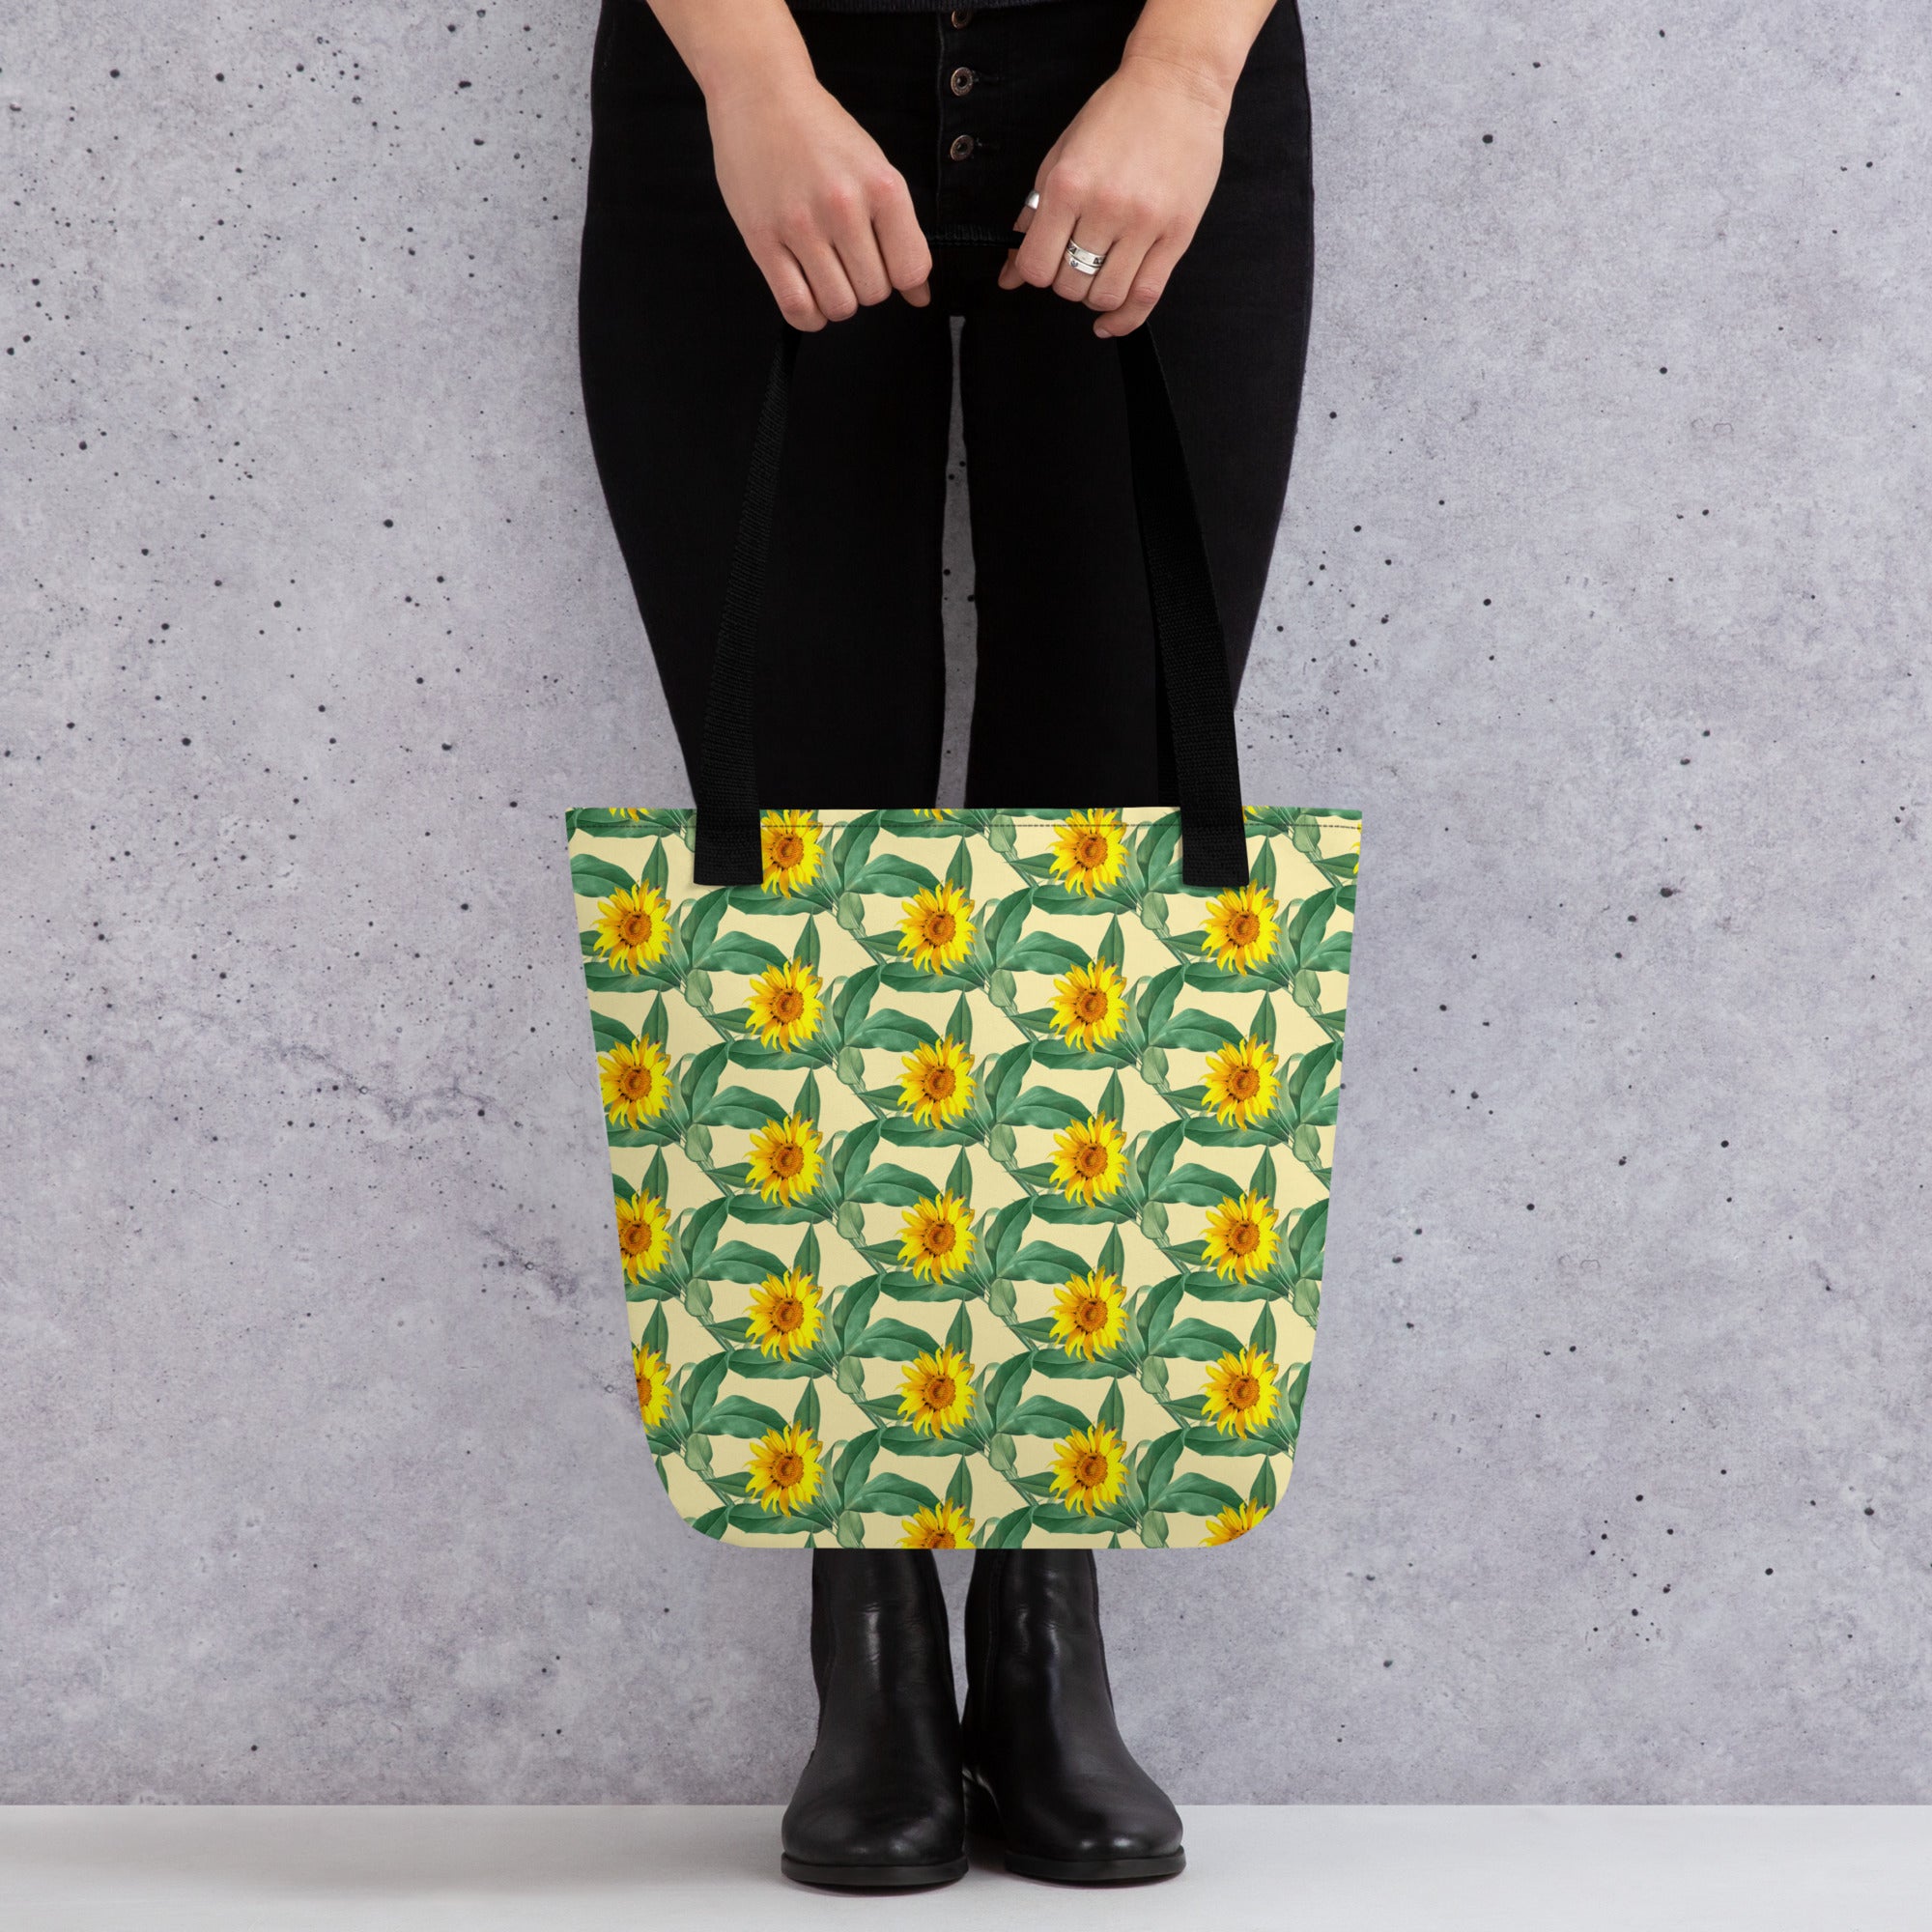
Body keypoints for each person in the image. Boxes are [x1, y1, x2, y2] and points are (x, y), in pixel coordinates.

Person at [577, 0, 1314, 1889]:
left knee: (1114, 874)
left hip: (1144, 70)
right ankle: (873, 1625)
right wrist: (747, 77)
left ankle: (1041, 1610)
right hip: (761, 72)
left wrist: (1185, 72)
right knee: (802, 884)